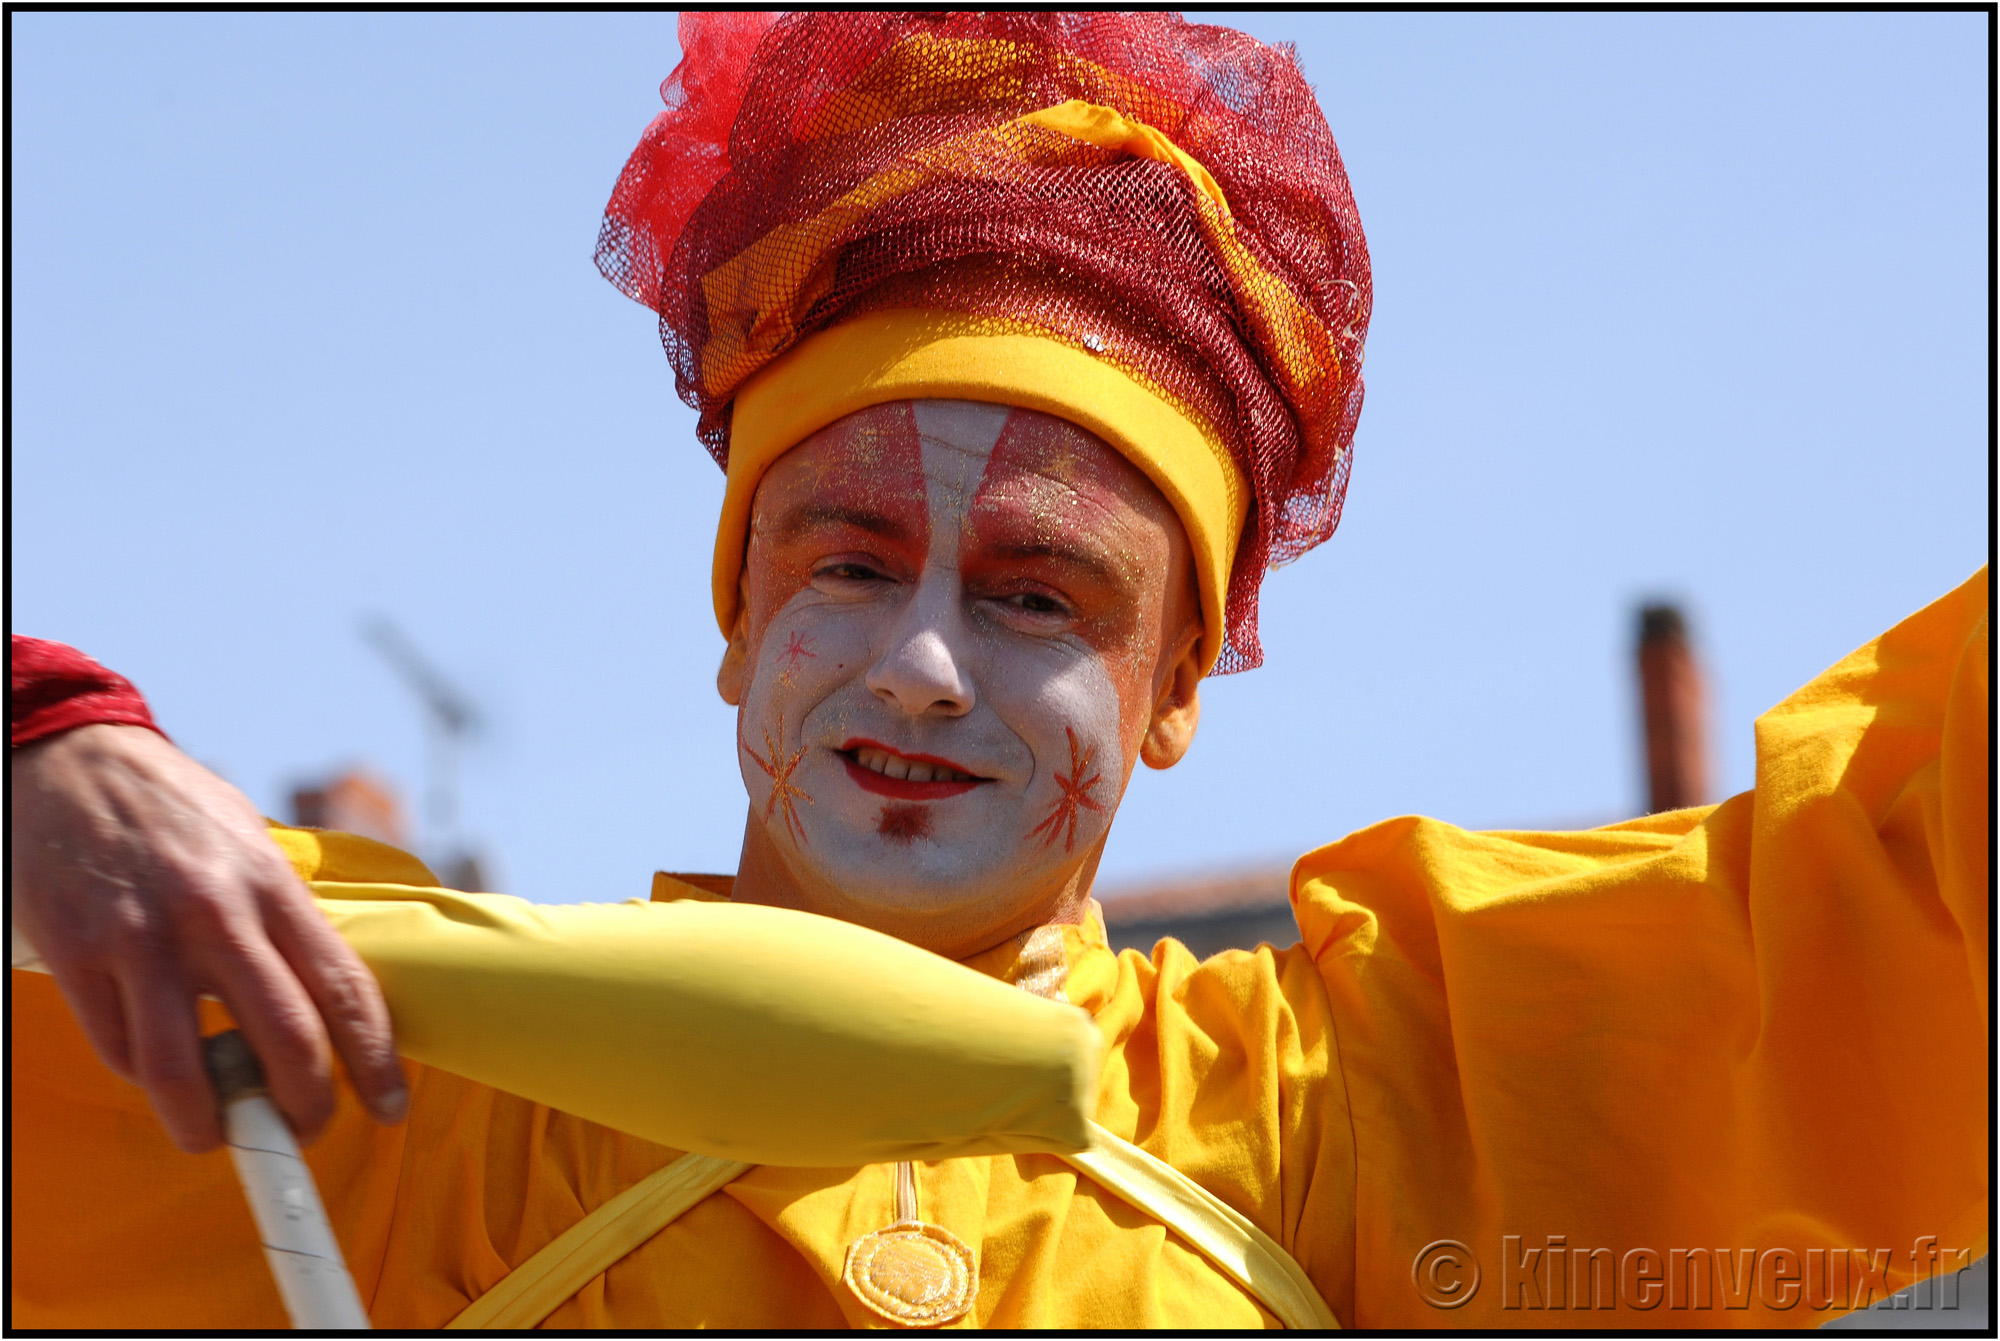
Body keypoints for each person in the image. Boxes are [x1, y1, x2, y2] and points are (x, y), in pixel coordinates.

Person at [11, 12, 1987, 1329]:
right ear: (732, 617)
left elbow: (1908, 871)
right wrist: (47, 750)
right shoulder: (390, 1090)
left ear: (1179, 678)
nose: (927, 662)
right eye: (847, 563)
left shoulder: (1363, 1120)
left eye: (1041, 595)